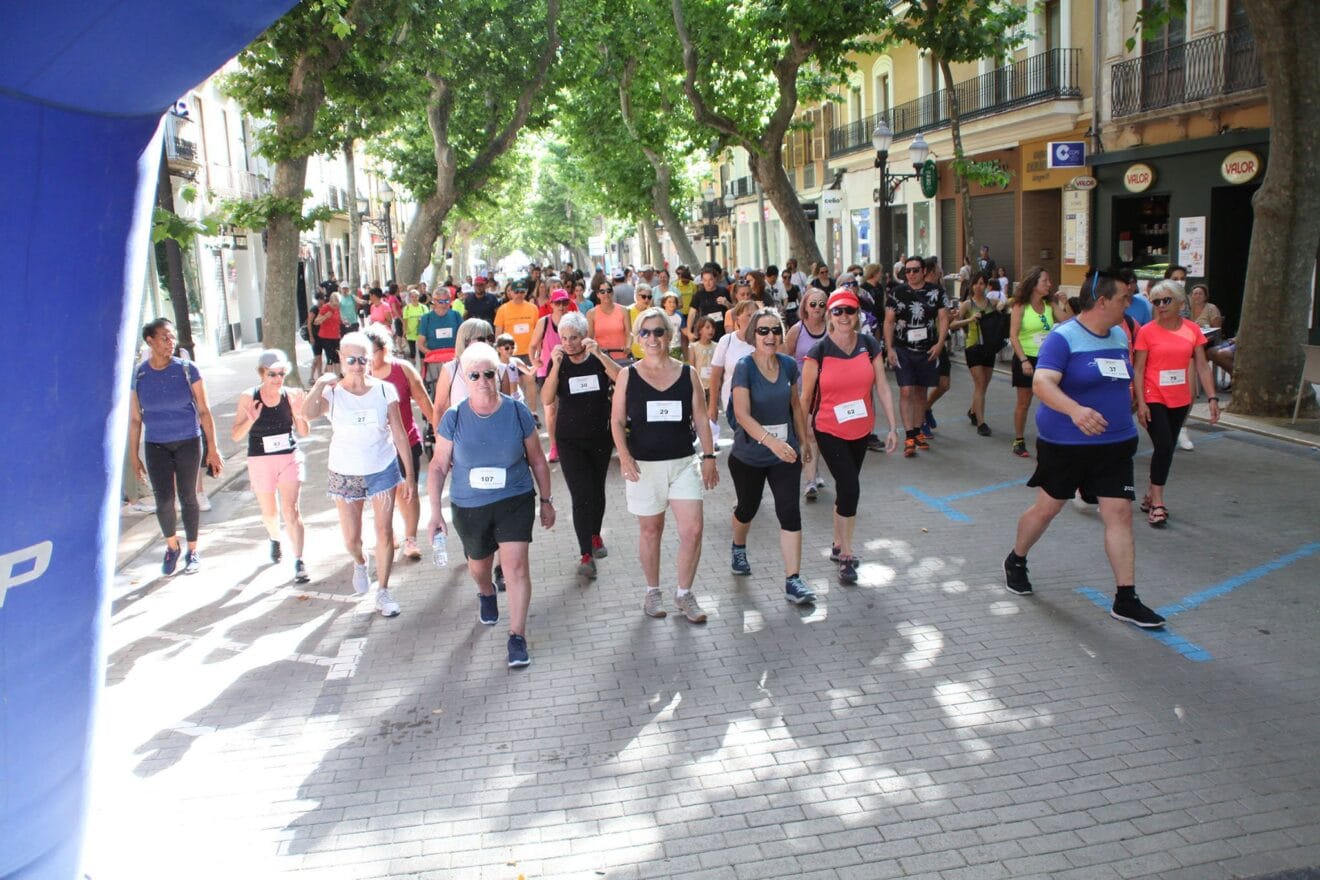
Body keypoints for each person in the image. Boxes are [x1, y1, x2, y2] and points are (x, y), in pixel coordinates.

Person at [1004, 269, 1167, 629]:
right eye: (1124, 298)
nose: (1130, 304)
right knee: (1047, 509)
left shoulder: (1119, 335)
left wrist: (1131, 403)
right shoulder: (1063, 338)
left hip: (1114, 444)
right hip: (1067, 444)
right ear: (1103, 301)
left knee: (1119, 514)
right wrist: (1075, 410)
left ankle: (1126, 598)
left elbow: (1117, 378)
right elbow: (1042, 383)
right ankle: (1016, 558)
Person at [427, 343, 555, 668]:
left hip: (514, 498)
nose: (483, 380)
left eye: (489, 374)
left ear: (498, 374)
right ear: (465, 379)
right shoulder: (455, 417)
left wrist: (546, 500)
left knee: (516, 567)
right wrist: (435, 513)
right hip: (470, 505)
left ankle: (517, 636)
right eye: (475, 375)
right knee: (479, 566)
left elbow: (537, 460)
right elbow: (438, 466)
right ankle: (486, 592)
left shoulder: (517, 412)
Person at [611, 307, 719, 623]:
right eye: (645, 332)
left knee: (693, 530)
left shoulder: (688, 373)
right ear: (637, 337)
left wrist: (709, 457)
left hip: (683, 462)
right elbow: (616, 421)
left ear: (669, 336)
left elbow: (701, 418)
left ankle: (684, 593)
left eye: (659, 331)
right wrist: (624, 456)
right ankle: (652, 591)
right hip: (644, 466)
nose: (652, 338)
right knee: (651, 531)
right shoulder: (627, 375)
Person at [302, 332, 415, 618]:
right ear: (340, 359)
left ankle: (384, 591)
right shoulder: (332, 392)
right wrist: (319, 384)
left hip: (382, 468)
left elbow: (399, 433)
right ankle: (360, 561)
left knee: (384, 530)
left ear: (370, 360)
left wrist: (410, 475)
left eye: (362, 359)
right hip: (345, 472)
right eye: (350, 360)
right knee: (351, 539)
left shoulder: (384, 390)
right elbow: (307, 413)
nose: (357, 365)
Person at [799, 289, 899, 584]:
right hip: (828, 428)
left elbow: (882, 386)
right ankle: (846, 554)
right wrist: (802, 435)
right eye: (838, 311)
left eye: (850, 311)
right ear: (829, 315)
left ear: (858, 315)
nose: (844, 316)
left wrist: (893, 427)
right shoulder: (818, 352)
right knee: (850, 488)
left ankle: (836, 543)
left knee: (846, 488)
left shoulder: (869, 345)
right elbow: (805, 397)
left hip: (861, 429)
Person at [727, 307, 816, 605]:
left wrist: (803, 441)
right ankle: (738, 546)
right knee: (747, 508)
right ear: (753, 335)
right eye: (763, 330)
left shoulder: (789, 365)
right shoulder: (744, 367)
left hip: (785, 455)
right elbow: (742, 414)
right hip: (749, 455)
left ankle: (793, 580)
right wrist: (771, 442)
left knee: (789, 511)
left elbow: (795, 405)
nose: (770, 336)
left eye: (776, 330)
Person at [128, 318, 224, 576]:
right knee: (164, 501)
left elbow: (204, 411)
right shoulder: (139, 375)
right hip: (156, 444)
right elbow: (135, 418)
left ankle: (193, 551)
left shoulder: (187, 369)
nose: (170, 342)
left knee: (188, 496)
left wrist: (213, 449)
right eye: (164, 337)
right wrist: (134, 456)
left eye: (172, 336)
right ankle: (172, 546)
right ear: (150, 341)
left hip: (188, 441)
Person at [1133, 280, 1221, 527]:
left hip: (1181, 398)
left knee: (1167, 448)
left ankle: (1151, 494)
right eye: (1156, 301)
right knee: (1163, 445)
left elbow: (1202, 366)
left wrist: (1212, 397)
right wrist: (1141, 403)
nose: (1161, 305)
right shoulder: (1147, 331)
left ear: (1181, 303)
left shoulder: (1192, 330)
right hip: (1153, 395)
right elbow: (1138, 370)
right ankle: (1158, 503)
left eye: (1166, 300)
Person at [541, 311, 622, 578]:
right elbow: (547, 398)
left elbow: (622, 378)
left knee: (597, 490)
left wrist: (600, 354)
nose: (569, 343)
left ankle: (595, 534)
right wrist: (555, 366)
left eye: (574, 338)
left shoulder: (597, 358)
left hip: (599, 437)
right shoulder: (560, 362)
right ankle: (585, 553)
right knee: (580, 495)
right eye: (564, 338)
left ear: (584, 336)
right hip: (569, 440)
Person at [231, 350, 311, 582]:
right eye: (272, 374)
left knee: (291, 510)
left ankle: (299, 560)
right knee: (270, 513)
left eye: (281, 374)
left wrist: (299, 414)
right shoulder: (249, 397)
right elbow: (236, 435)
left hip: (288, 457)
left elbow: (304, 432)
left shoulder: (291, 395)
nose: (277, 379)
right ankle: (275, 538)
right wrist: (251, 419)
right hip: (260, 459)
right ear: (261, 373)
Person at [364, 325, 432, 560]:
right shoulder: (359, 376)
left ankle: (410, 539)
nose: (366, 359)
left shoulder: (402, 369)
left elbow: (423, 400)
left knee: (407, 492)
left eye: (370, 352)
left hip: (406, 441)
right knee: (381, 495)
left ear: (384, 349)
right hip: (374, 447)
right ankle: (388, 534)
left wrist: (441, 431)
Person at [884, 255, 951, 458]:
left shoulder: (937, 292)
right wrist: (889, 349)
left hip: (928, 350)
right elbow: (889, 321)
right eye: (908, 271)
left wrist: (940, 344)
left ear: (923, 271)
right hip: (903, 349)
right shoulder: (897, 293)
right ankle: (909, 436)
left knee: (921, 391)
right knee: (906, 391)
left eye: (915, 270)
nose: (911, 274)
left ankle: (917, 430)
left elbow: (943, 318)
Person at [1008, 266, 1069, 458]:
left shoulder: (1050, 304)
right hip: (1026, 357)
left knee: (1052, 400)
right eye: (1045, 281)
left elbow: (1068, 322)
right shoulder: (1020, 306)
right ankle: (1019, 440)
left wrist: (1065, 303)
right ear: (1034, 284)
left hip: (1047, 359)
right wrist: (1024, 360)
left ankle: (1052, 438)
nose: (1049, 284)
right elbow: (1013, 336)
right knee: (1024, 402)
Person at [784, 288, 830, 500]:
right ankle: (810, 481)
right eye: (813, 304)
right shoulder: (797, 330)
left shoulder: (832, 328)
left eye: (821, 304)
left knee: (820, 434)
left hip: (827, 392)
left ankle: (815, 472)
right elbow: (784, 358)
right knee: (809, 433)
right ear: (804, 306)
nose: (817, 308)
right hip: (803, 392)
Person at [952, 270, 1004, 436]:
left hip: (989, 346)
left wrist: (1002, 306)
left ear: (987, 286)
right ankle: (981, 423)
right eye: (976, 283)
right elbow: (953, 324)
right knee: (980, 383)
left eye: (982, 283)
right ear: (971, 285)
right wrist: (969, 319)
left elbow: (1008, 304)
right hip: (973, 347)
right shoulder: (967, 304)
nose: (978, 287)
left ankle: (973, 410)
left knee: (984, 384)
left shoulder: (992, 302)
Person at [706, 301, 759, 436]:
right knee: (741, 437)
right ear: (737, 319)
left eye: (755, 315)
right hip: (733, 402)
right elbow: (715, 375)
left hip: (759, 402)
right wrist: (713, 406)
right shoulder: (727, 341)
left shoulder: (762, 341)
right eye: (748, 315)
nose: (752, 319)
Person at [494, 279, 541, 407]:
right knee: (513, 385)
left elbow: (538, 331)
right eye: (516, 291)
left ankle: (533, 412)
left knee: (530, 382)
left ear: (526, 292)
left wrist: (539, 351)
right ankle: (517, 410)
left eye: (522, 291)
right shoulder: (503, 309)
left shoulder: (533, 308)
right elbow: (498, 333)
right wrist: (499, 352)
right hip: (510, 353)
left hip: (529, 352)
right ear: (510, 292)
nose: (519, 294)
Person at [587, 279, 630, 364]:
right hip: (601, 358)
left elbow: (629, 333)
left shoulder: (623, 310)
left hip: (622, 356)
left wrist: (628, 346)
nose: (606, 294)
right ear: (598, 295)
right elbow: (590, 337)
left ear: (612, 292)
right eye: (602, 292)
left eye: (608, 291)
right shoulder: (591, 313)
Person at [687, 266, 732, 342]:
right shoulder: (699, 295)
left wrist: (727, 303)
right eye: (705, 280)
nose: (707, 283)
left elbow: (733, 310)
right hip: (705, 331)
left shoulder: (723, 291)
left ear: (715, 279)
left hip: (722, 330)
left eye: (710, 280)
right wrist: (689, 332)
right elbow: (692, 313)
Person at [314, 292, 343, 377]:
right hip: (326, 337)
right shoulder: (325, 308)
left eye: (337, 305)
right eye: (334, 305)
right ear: (330, 302)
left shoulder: (338, 308)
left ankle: (338, 376)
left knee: (337, 357)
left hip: (336, 336)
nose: (335, 307)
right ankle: (330, 377)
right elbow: (316, 322)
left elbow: (338, 319)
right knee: (330, 357)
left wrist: (343, 321)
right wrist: (325, 316)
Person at [627, 284, 657, 360]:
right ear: (636, 296)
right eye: (643, 296)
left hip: (649, 352)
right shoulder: (628, 311)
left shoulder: (653, 313)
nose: (646, 300)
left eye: (649, 297)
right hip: (632, 353)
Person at [402, 290, 427, 362]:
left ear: (419, 297)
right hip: (410, 333)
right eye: (412, 296)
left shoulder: (423, 307)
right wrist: (404, 331)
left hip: (421, 333)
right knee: (412, 353)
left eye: (416, 296)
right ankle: (412, 367)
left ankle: (422, 368)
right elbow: (405, 320)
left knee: (422, 353)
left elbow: (427, 320)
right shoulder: (407, 308)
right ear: (410, 297)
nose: (414, 298)